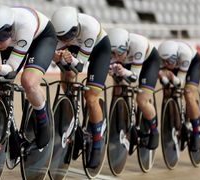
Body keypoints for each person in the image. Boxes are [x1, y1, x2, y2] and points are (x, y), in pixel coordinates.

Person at [0, 4, 57, 149]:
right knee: (0, 83)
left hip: (42, 38)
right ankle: (7, 130)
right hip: (15, 41)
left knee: (28, 82)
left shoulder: (25, 24)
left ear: (9, 30)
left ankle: (43, 121)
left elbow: (12, 68)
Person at [51, 6, 111, 168]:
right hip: (77, 48)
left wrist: (68, 60)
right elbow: (62, 66)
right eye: (61, 37)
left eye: (69, 35)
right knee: (67, 78)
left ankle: (97, 143)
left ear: (76, 27)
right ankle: (73, 109)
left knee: (91, 98)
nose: (65, 39)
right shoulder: (61, 34)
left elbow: (79, 67)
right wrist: (58, 59)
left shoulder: (89, 27)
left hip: (99, 50)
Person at [108, 28, 160, 150]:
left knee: (142, 100)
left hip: (148, 62)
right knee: (118, 88)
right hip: (128, 63)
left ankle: (154, 130)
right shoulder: (118, 54)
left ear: (127, 46)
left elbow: (134, 78)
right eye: (113, 53)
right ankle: (121, 120)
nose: (116, 56)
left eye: (119, 52)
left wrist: (123, 71)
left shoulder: (138, 44)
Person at [157, 40, 200, 151]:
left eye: (171, 60)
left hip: (192, 64)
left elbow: (180, 83)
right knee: (168, 91)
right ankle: (173, 121)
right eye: (165, 62)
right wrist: (163, 78)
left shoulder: (185, 54)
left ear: (176, 56)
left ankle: (197, 132)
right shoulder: (160, 58)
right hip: (177, 67)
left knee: (188, 92)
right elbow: (161, 75)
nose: (168, 64)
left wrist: (172, 77)